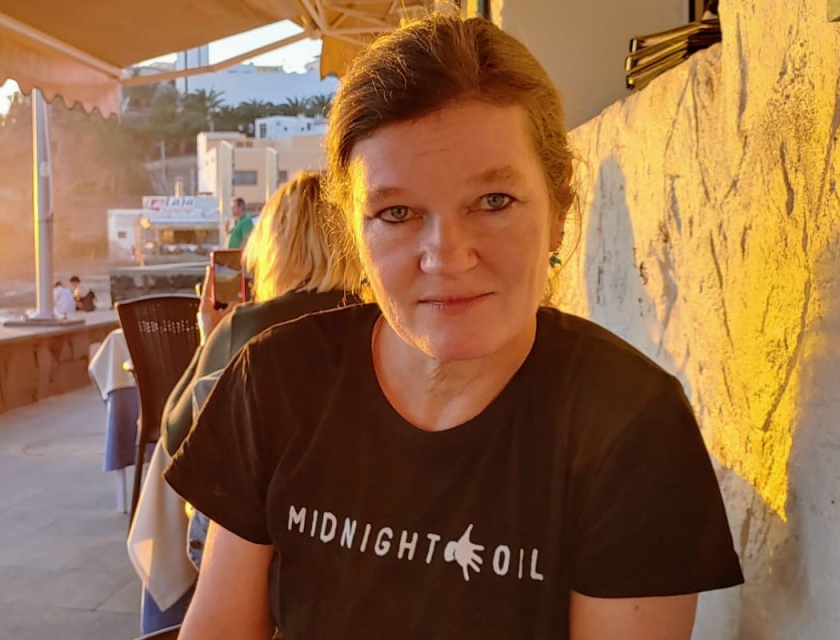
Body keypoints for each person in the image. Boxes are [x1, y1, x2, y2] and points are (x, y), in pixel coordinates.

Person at [165, 13, 743, 640]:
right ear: (354, 232)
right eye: (397, 212)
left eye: (494, 202)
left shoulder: (631, 426)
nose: (447, 256)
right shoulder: (278, 379)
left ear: (559, 209)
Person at [138, 170, 362, 633]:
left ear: (277, 244)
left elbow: (177, 434)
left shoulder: (249, 327)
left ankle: (173, 621)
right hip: (350, 539)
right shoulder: (382, 323)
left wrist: (210, 337)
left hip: (262, 540)